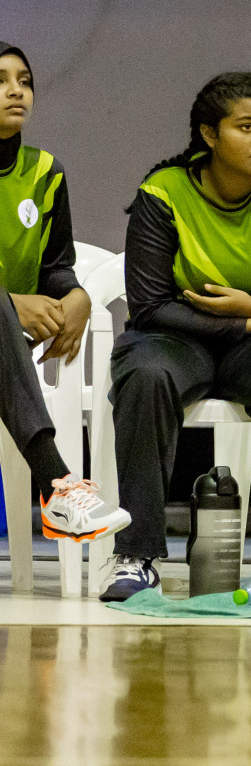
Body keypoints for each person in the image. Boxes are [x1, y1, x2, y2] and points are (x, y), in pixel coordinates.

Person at [102, 72, 251, 602]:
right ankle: (137, 554)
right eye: (246, 127)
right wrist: (244, 322)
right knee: (144, 374)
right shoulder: (163, 192)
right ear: (210, 135)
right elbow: (149, 305)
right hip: (174, 336)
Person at [0, 42, 130, 542]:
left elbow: (56, 268)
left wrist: (77, 296)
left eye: (25, 81)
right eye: (3, 80)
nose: (17, 90)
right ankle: (57, 484)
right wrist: (13, 304)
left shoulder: (46, 172)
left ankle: (59, 493)